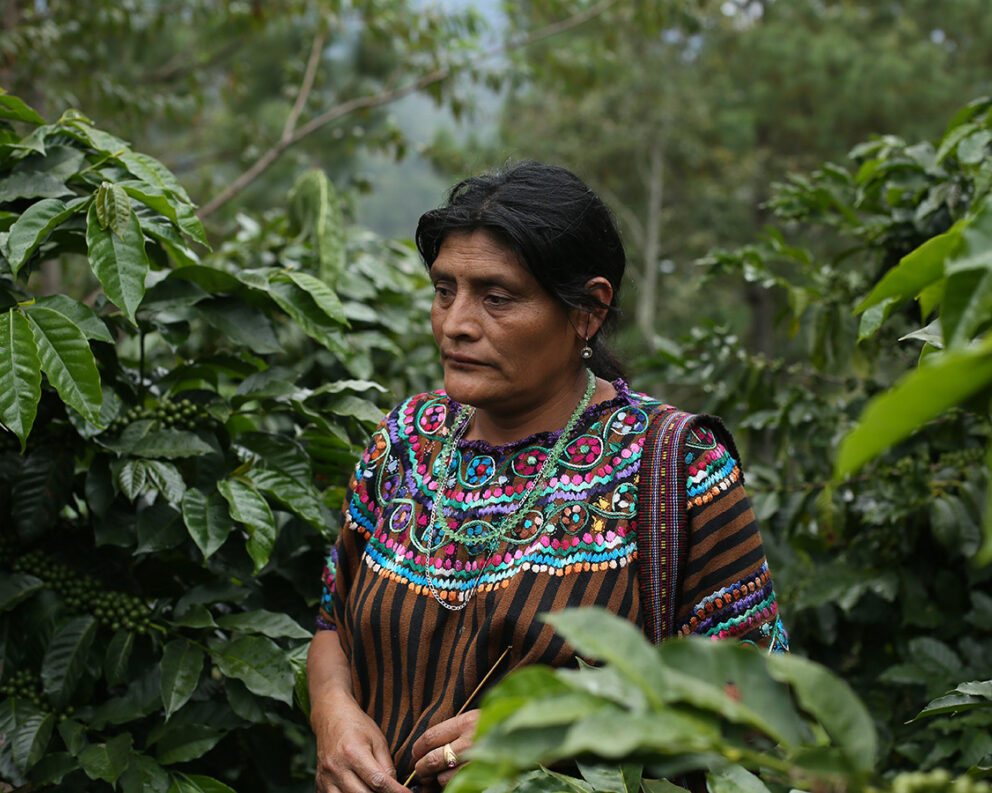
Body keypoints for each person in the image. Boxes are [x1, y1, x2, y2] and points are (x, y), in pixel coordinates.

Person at [307, 161, 788, 793]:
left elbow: (752, 695)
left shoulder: (676, 466)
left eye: (496, 298)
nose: (456, 322)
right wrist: (333, 717)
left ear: (588, 311)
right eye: (444, 289)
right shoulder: (405, 441)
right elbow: (331, 625)